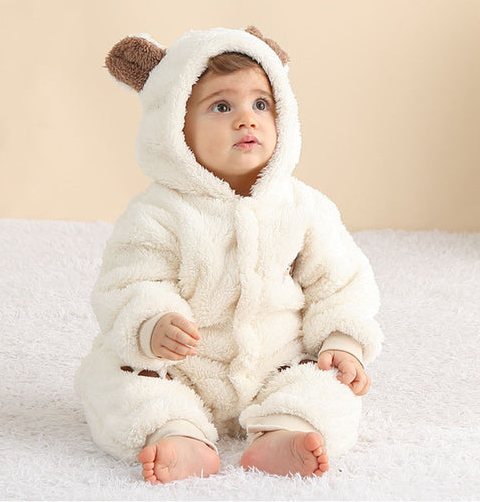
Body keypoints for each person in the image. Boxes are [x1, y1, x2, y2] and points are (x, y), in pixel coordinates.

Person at [75, 26, 383, 484]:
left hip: (279, 363)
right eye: (222, 107)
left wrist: (342, 342)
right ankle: (176, 431)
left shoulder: (303, 206)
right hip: (181, 367)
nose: (246, 120)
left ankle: (287, 429)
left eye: (261, 104)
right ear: (175, 126)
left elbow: (340, 282)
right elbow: (130, 280)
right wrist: (152, 323)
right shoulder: (157, 212)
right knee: (115, 377)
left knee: (331, 385)